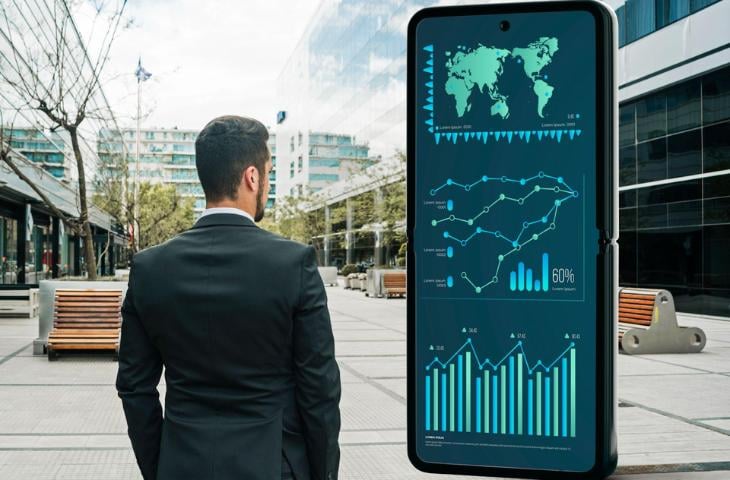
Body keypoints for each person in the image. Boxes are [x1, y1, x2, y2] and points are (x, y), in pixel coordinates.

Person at [116, 115, 341, 480]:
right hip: (275, 465)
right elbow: (320, 390)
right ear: (252, 177)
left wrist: (158, 467)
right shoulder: (294, 263)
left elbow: (134, 386)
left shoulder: (149, 268)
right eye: (268, 174)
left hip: (180, 463)